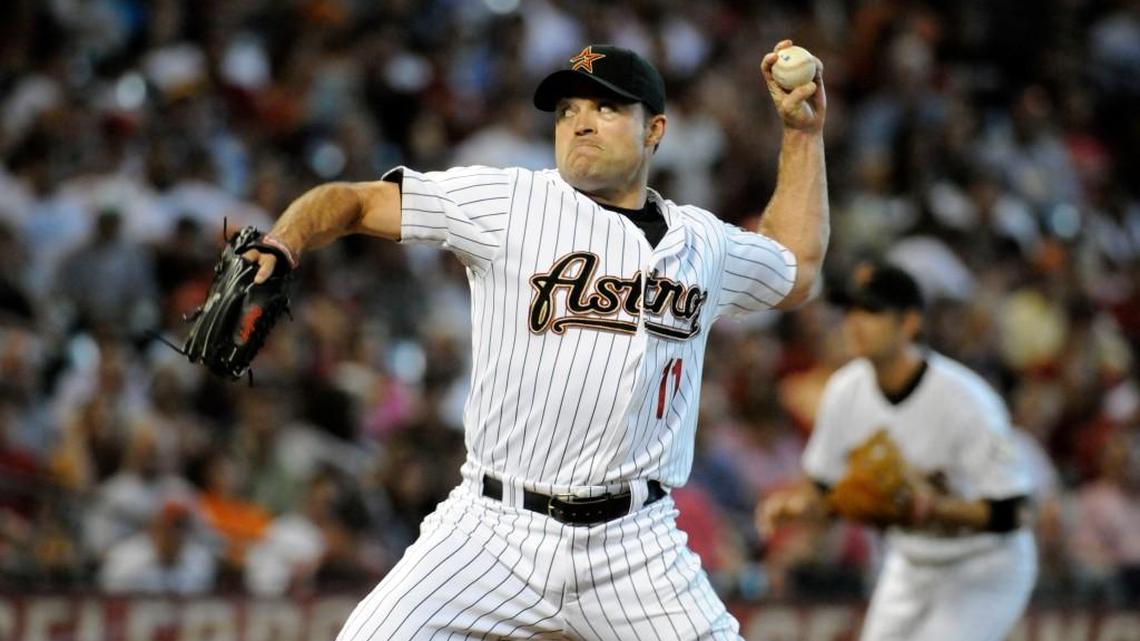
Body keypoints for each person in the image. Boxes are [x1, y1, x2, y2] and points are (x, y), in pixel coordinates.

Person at [246, 41, 828, 640]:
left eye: (604, 108)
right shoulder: (509, 202)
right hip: (493, 530)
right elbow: (355, 200)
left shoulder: (704, 243)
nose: (579, 121)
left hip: (637, 543)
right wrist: (284, 242)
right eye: (567, 110)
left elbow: (797, 267)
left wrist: (801, 135)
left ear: (654, 129)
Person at [759, 262, 1037, 641]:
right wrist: (796, 507)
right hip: (910, 561)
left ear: (909, 322)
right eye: (850, 310)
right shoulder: (845, 390)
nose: (854, 322)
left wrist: (933, 508)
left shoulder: (966, 400)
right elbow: (823, 489)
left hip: (984, 565)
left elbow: (1015, 512)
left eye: (872, 311)